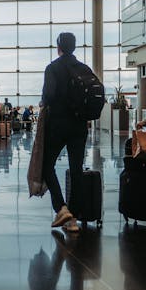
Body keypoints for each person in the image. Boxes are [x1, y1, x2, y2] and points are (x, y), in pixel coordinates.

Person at [41, 32, 88, 234]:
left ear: (58, 47)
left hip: (58, 125)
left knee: (46, 165)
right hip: (79, 126)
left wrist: (46, 102)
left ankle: (61, 208)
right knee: (76, 170)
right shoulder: (84, 69)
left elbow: (49, 95)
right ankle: (73, 220)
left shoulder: (53, 68)